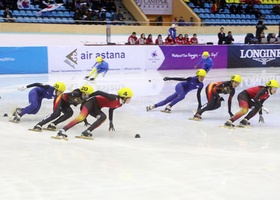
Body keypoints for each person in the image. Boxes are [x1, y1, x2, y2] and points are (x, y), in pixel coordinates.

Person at [54, 88, 133, 139]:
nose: (130, 99)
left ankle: (87, 131)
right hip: (91, 103)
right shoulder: (113, 98)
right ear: (124, 97)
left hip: (96, 108)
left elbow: (111, 109)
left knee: (103, 117)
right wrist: (89, 96)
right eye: (129, 98)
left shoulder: (120, 104)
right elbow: (99, 92)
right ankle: (62, 130)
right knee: (81, 118)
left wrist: (111, 122)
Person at [30, 84, 110, 131]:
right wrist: (58, 95)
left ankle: (53, 124)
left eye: (88, 95)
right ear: (83, 92)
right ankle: (39, 124)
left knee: (70, 113)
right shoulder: (76, 93)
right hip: (60, 99)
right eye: (86, 94)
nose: (87, 96)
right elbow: (64, 95)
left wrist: (85, 120)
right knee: (56, 113)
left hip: (65, 104)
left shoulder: (84, 99)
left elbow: (83, 110)